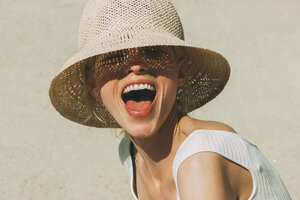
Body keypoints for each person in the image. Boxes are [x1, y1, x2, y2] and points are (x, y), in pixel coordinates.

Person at [49, 0, 291, 199]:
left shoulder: (201, 157)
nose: (135, 66)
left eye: (153, 51)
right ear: (93, 84)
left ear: (181, 72)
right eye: (114, 57)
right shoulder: (131, 155)